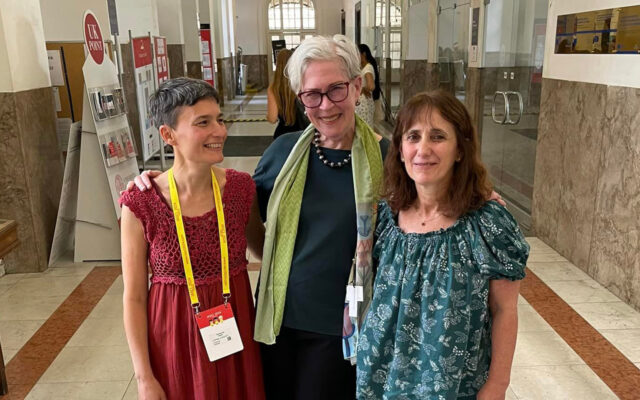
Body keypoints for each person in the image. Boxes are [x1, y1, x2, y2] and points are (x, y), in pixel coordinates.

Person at [356, 90, 529, 399]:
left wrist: (497, 385)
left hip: (453, 385)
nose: (423, 149)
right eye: (413, 137)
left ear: (460, 150)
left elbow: (505, 309)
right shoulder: (387, 217)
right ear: (399, 149)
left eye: (437, 137)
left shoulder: (486, 224)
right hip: (382, 376)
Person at [119, 78, 265, 400]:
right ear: (168, 135)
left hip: (234, 327)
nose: (220, 131)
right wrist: (144, 378)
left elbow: (266, 249)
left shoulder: (241, 189)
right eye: (203, 122)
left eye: (219, 119)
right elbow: (134, 297)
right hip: (173, 334)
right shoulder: (142, 203)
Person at [267, 49, 309, 139]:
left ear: (277, 64)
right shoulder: (302, 84)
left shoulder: (273, 88)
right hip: (303, 134)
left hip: (282, 135)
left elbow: (272, 118)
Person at [354, 44, 379, 127]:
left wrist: (363, 89)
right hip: (362, 104)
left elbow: (371, 86)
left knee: (365, 127)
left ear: (363, 54)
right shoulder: (363, 67)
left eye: (357, 54)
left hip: (365, 105)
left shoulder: (368, 68)